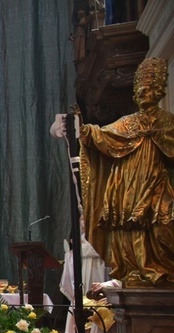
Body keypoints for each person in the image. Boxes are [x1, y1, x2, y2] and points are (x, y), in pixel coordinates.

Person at [80, 57, 174, 287]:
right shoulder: (127, 123)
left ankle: (162, 270)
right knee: (127, 228)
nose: (143, 93)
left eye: (148, 89)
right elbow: (103, 136)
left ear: (159, 91)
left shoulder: (167, 122)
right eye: (139, 90)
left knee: (164, 226)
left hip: (157, 184)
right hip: (129, 185)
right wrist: (83, 130)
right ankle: (135, 270)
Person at [58, 236, 106, 333]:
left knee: (93, 302)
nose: (83, 221)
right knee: (78, 299)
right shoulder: (81, 235)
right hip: (83, 268)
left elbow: (97, 248)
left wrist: (79, 247)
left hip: (96, 268)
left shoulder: (97, 233)